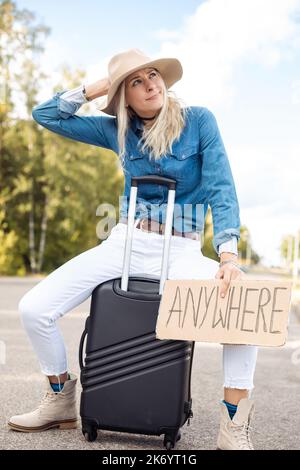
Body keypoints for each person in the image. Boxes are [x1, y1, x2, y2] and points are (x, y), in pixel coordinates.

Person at [8, 48, 257, 450]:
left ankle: (233, 426)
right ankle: (59, 399)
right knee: (34, 308)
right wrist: (103, 87)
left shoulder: (198, 122)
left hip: (181, 247)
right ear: (124, 95)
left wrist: (228, 255)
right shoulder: (117, 129)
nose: (150, 84)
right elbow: (46, 115)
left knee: (242, 311)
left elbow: (221, 188)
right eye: (136, 81)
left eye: (153, 75)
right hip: (125, 241)